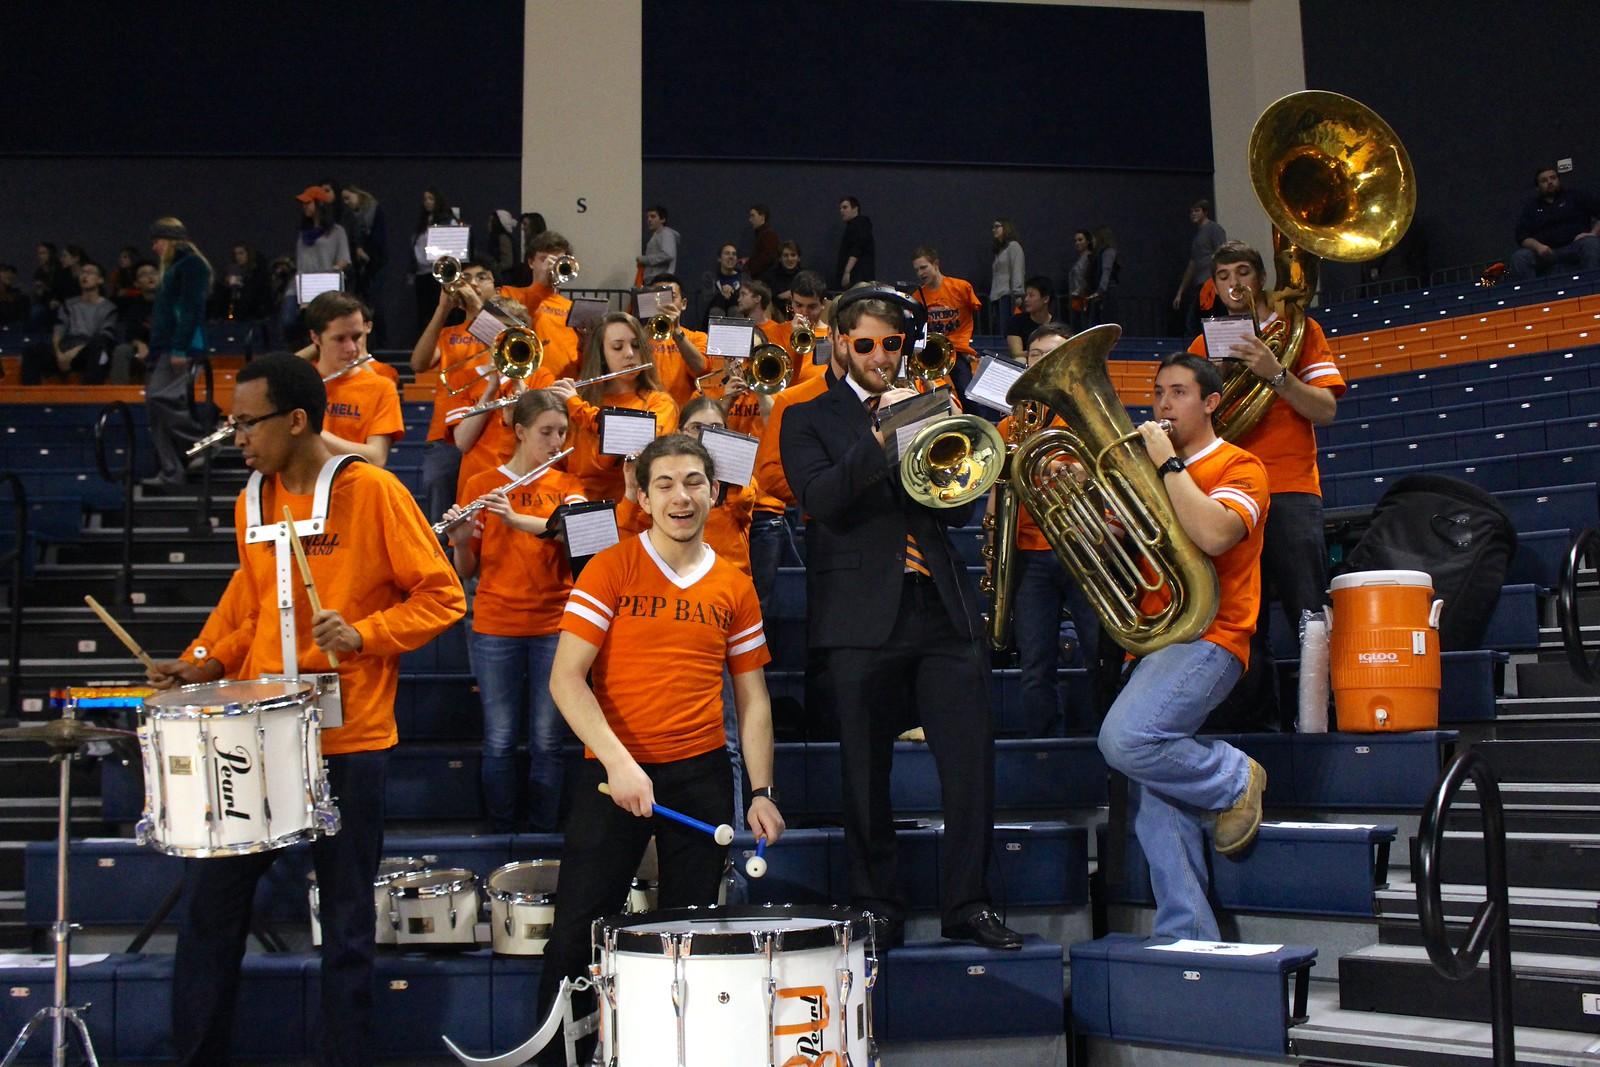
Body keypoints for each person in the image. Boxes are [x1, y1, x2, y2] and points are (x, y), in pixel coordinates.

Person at [144, 352, 466, 1067]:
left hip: (349, 741)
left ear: (295, 419)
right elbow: (253, 611)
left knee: (347, 922)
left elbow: (444, 596)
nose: (238, 438)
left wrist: (365, 634)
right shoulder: (250, 500)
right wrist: (203, 660)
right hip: (256, 739)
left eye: (246, 423)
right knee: (211, 908)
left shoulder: (375, 492)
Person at [779, 288, 1022, 951]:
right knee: (864, 771)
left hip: (941, 606)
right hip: (858, 615)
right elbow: (823, 500)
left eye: (892, 344)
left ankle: (968, 902)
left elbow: (956, 511)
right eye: (866, 344)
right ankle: (876, 904)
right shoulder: (806, 417)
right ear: (839, 343)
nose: (881, 356)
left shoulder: (926, 402)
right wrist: (883, 434)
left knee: (970, 765)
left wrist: (939, 436)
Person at [536, 432, 785, 1063]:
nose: (682, 497)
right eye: (666, 484)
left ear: (714, 490)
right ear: (640, 497)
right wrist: (621, 762)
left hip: (701, 776)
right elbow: (566, 679)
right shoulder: (610, 567)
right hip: (613, 774)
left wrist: (759, 792)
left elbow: (752, 700)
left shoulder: (733, 584)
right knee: (574, 939)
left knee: (690, 937)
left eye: (694, 482)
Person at [1097, 352, 1269, 940]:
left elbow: (1216, 533)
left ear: (1211, 403)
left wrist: (1169, 465)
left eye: (1178, 392)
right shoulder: (1145, 475)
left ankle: (1233, 776)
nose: (1163, 405)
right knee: (1157, 801)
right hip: (1155, 639)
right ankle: (1190, 931)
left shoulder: (1241, 466)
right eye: (1158, 392)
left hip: (1213, 637)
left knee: (1124, 740)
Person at [1188, 240, 1342, 730]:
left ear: (1259, 279)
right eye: (1224, 276)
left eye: (1243, 272)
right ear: (1214, 287)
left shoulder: (1299, 330)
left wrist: (1275, 375)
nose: (1234, 284)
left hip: (1289, 487)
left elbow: (1326, 409)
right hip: (1229, 495)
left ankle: (1323, 722)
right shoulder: (1199, 349)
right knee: (1243, 619)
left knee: (1307, 612)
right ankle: (1262, 726)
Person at [443, 390, 586, 832]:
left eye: (561, 432)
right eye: (546, 432)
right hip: (495, 624)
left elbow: (580, 546)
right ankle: (501, 835)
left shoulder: (568, 487)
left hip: (553, 624)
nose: (555, 441)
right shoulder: (481, 484)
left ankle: (542, 835)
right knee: (500, 740)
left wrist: (517, 519)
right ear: (520, 432)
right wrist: (462, 537)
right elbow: (467, 570)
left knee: (547, 741)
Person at [618, 396, 758, 824]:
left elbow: (745, 503)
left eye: (717, 429)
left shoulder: (732, 490)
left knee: (729, 740)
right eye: (697, 428)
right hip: (670, 620)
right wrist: (629, 492)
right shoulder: (665, 496)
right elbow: (625, 539)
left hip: (726, 617)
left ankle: (727, 840)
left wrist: (726, 475)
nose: (707, 437)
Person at [1000, 322, 1110, 736]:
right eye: (1035, 356)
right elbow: (999, 488)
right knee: (1035, 663)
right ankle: (1044, 750)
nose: (1042, 363)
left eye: (1053, 355)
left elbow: (1110, 469)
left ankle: (1113, 746)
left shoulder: (1088, 413)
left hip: (1087, 546)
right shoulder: (1010, 423)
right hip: (1029, 553)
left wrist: (1062, 468)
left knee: (1102, 655)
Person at [546, 312, 678, 502]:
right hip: (573, 501)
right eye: (617, 347)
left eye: (635, 345)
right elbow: (556, 462)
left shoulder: (660, 403)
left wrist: (578, 408)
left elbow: (640, 439)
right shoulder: (579, 400)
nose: (630, 354)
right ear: (601, 355)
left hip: (629, 507)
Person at [411, 258, 498, 528]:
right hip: (446, 435)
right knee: (442, 519)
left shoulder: (508, 328)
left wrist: (476, 306)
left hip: (492, 432)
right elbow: (418, 363)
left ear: (496, 286)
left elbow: (506, 346)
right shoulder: (448, 333)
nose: (473, 283)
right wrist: (442, 308)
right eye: (466, 277)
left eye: (482, 277)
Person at [142, 218, 213, 489]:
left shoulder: (191, 265)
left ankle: (204, 444)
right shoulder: (173, 267)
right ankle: (171, 471)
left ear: (171, 240)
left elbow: (191, 309)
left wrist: (180, 347)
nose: (154, 246)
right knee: (155, 410)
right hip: (163, 347)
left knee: (160, 398)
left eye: (158, 240)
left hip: (180, 346)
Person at [303, 291, 404, 467]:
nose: (351, 348)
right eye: (340, 339)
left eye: (356, 337)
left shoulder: (381, 387)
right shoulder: (296, 383)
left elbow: (376, 458)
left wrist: (312, 431)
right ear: (315, 338)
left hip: (353, 486)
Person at [500, 230, 584, 381]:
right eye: (544, 259)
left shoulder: (570, 306)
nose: (550, 265)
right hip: (530, 383)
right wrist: (541, 283)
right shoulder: (510, 293)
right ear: (531, 262)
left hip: (568, 384)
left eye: (559, 260)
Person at [20, 260, 118, 385]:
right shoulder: (68, 304)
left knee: (98, 345)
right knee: (31, 349)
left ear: (100, 280)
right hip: (67, 348)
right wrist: (59, 354)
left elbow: (105, 336)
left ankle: (89, 396)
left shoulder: (109, 308)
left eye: (90, 273)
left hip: (87, 350)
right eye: (82, 272)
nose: (85, 276)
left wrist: (74, 352)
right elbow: (58, 332)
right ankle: (30, 397)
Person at [911, 246, 982, 393]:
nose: (920, 273)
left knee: (966, 392)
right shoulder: (917, 297)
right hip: (932, 352)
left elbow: (975, 310)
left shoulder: (961, 287)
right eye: (917, 270)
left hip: (958, 350)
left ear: (936, 264)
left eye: (924, 267)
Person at [1510, 165, 1600, 280]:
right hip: (1546, 253)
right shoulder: (1531, 207)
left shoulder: (1575, 196)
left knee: (1591, 243)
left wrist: (1593, 234)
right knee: (1520, 257)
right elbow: (1521, 235)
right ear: (1537, 187)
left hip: (1575, 246)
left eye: (1553, 178)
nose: (1550, 182)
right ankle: (1534, 295)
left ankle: (1592, 288)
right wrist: (1538, 247)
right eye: (1544, 180)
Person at [641, 273, 709, 407]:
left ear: (683, 304)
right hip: (647, 411)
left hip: (682, 416)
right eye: (658, 297)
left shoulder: (698, 337)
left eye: (671, 297)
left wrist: (676, 331)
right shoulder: (638, 336)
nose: (664, 303)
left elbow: (700, 370)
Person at [340, 186, 389, 342]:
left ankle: (381, 342)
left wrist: (366, 251)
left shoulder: (373, 211)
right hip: (361, 268)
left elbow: (379, 239)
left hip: (375, 264)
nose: (347, 203)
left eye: (348, 198)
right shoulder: (351, 218)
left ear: (357, 194)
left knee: (375, 304)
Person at [1173, 200, 1227, 337]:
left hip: (1211, 283)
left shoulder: (1214, 229)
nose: (1193, 214)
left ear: (1205, 212)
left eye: (1197, 210)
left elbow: (1222, 253)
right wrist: (1180, 292)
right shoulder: (1198, 237)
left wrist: (1219, 281)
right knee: (1196, 321)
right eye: (1191, 211)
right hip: (1201, 284)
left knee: (1205, 319)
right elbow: (1192, 264)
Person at [411, 186, 461, 330]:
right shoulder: (422, 222)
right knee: (424, 310)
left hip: (440, 273)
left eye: (431, 198)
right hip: (422, 272)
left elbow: (455, 244)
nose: (427, 202)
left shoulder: (448, 220)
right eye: (425, 199)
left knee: (439, 308)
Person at [110, 261, 160, 385]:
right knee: (122, 350)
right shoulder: (133, 307)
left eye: (153, 273)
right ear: (136, 284)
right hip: (141, 350)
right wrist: (139, 344)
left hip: (168, 349)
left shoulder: (174, 303)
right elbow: (130, 334)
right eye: (143, 274)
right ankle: (119, 396)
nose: (150, 276)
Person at [989, 218, 1026, 333]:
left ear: (1005, 227)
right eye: (993, 227)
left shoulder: (1013, 247)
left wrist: (1018, 292)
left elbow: (1017, 269)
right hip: (997, 296)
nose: (993, 230)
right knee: (999, 327)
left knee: (1006, 328)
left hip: (1007, 295)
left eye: (997, 226)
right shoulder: (1000, 251)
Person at [1004, 275, 1056, 358]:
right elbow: (1016, 353)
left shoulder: (1057, 326)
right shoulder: (1016, 321)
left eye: (1031, 296)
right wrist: (1041, 354)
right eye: (1026, 295)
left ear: (1045, 299)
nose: (1026, 299)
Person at [696, 243, 745, 325]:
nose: (731, 257)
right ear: (719, 258)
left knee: (736, 306)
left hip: (738, 318)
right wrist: (722, 293)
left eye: (734, 254)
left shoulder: (744, 278)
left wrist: (733, 294)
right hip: (714, 317)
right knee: (718, 302)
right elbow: (706, 301)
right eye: (727, 253)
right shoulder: (710, 277)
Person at [836, 195, 875, 287]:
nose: (841, 211)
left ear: (855, 208)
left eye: (845, 207)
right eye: (840, 208)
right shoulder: (852, 226)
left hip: (859, 278)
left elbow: (858, 247)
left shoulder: (861, 223)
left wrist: (847, 271)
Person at [637, 204, 679, 284]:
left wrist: (644, 259)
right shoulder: (657, 235)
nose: (649, 220)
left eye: (653, 216)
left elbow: (668, 255)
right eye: (648, 217)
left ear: (662, 219)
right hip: (654, 281)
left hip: (661, 281)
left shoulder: (666, 234)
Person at [1089, 227, 1120, 325]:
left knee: (1106, 320)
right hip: (1104, 292)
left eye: (1094, 238)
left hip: (1107, 293)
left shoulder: (1108, 252)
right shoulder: (1102, 253)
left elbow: (1106, 271)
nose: (1092, 241)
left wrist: (1100, 291)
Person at [761, 240, 802, 310]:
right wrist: (779, 297)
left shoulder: (805, 275)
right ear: (780, 258)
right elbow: (763, 297)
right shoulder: (769, 276)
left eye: (793, 255)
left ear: (798, 258)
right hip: (777, 313)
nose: (789, 259)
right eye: (786, 255)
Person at [744, 204, 781, 280]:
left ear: (762, 217)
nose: (750, 219)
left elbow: (768, 258)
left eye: (753, 216)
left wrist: (749, 267)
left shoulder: (769, 235)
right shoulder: (763, 235)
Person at [0, 264, 29, 328]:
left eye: (11, 273)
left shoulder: (16, 293)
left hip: (12, 327)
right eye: (4, 272)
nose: (9, 275)